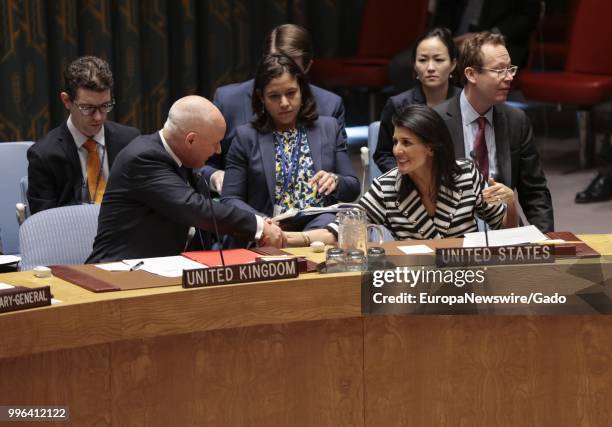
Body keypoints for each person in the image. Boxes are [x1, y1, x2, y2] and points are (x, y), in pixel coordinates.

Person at [86, 96, 284, 263]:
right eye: (215, 143)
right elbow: (195, 208)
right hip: (119, 271)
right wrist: (258, 226)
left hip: (168, 268)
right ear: (190, 140)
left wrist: (261, 224)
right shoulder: (143, 158)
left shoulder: (183, 159)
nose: (218, 150)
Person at [283, 104, 517, 246]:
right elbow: (342, 230)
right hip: (414, 284)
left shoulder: (465, 174)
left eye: (406, 143)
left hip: (467, 278)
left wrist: (511, 203)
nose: (397, 150)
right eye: (395, 142)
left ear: (430, 147)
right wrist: (285, 239)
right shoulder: (386, 187)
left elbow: (506, 231)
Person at [221, 54, 360, 246]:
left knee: (329, 227)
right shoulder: (246, 137)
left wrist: (336, 181)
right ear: (261, 98)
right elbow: (230, 199)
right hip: (269, 228)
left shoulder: (329, 127)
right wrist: (262, 222)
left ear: (302, 91)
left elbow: (352, 188)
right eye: (274, 96)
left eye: (291, 93)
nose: (284, 103)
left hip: (318, 227)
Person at [201, 24, 346, 193]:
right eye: (274, 63)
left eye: (291, 68)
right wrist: (214, 175)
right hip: (242, 204)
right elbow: (198, 164)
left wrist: (333, 179)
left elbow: (342, 175)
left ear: (307, 67)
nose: (281, 73)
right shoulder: (229, 101)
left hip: (308, 207)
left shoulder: (329, 105)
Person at [434, 32, 554, 233]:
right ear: (471, 74)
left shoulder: (516, 120)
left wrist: (546, 241)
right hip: (453, 234)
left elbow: (534, 192)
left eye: (510, 69)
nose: (509, 78)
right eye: (499, 70)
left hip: (505, 229)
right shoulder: (437, 122)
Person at [27, 56, 140, 215]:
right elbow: (44, 223)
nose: (98, 117)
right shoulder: (44, 155)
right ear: (66, 101)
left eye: (105, 106)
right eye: (87, 108)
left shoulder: (130, 140)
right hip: (70, 235)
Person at [389, 0, 540, 92]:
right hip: (453, 41)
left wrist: (485, 36)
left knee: (461, 63)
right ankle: (418, 126)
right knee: (402, 64)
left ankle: (457, 131)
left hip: (495, 43)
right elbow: (443, 15)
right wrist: (443, 36)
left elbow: (528, 18)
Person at [374, 27, 461, 173]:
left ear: (453, 64)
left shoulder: (465, 102)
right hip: (410, 184)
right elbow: (384, 155)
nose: (431, 67)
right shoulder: (398, 105)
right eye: (422, 60)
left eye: (439, 60)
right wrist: (409, 177)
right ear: (414, 65)